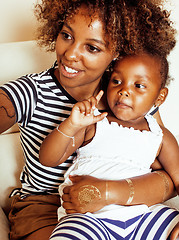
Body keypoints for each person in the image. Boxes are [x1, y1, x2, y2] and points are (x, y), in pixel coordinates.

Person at [0, 0, 177, 239]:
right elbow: (48, 156)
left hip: (125, 205)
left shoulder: (129, 97)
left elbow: (165, 174)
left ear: (117, 52)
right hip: (45, 206)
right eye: (66, 35)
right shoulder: (30, 92)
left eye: (92, 48)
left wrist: (109, 192)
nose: (70, 54)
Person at [40, 52, 179, 239]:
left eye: (138, 85)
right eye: (116, 81)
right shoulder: (95, 122)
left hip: (142, 216)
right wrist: (72, 125)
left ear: (160, 97)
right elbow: (48, 158)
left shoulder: (160, 136)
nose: (124, 91)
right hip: (89, 219)